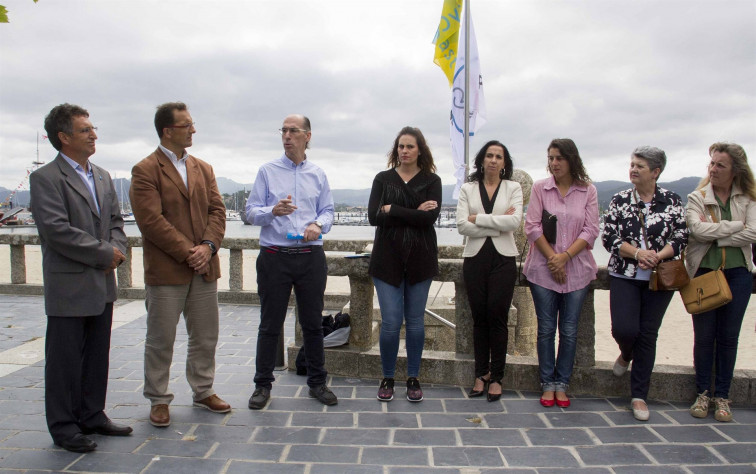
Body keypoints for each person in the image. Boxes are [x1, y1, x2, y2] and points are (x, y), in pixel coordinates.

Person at [30, 103, 131, 452]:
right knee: (64, 361)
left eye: (93, 128)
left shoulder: (102, 176)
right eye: (86, 129)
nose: (94, 134)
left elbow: (116, 223)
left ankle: (92, 414)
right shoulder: (45, 178)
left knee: (97, 355)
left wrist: (116, 250)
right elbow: (57, 231)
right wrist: (106, 254)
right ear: (64, 137)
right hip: (68, 284)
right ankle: (63, 427)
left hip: (102, 283)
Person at [130, 102, 230, 427]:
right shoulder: (145, 170)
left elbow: (218, 211)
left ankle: (203, 389)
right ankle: (158, 398)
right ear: (167, 131)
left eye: (193, 123)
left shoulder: (204, 168)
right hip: (167, 270)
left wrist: (209, 246)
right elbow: (150, 221)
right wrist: (190, 251)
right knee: (161, 338)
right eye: (187, 125)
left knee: (205, 335)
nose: (193, 129)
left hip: (204, 268)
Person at [245, 114, 337, 409]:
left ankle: (318, 382)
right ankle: (262, 385)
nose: (286, 136)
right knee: (269, 324)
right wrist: (273, 211)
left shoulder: (318, 174)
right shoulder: (267, 171)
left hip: (310, 256)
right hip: (275, 256)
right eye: (283, 130)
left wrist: (318, 226)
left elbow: (329, 212)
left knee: (312, 323)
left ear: (307, 136)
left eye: (293, 131)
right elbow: (249, 213)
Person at [601, 146, 687, 421]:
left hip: (660, 279)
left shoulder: (672, 200)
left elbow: (681, 236)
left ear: (656, 171)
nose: (633, 169)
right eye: (632, 164)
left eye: (640, 165)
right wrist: (637, 253)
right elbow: (609, 238)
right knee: (624, 329)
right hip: (624, 275)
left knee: (649, 335)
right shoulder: (620, 200)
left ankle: (639, 396)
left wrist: (657, 256)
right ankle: (626, 354)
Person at [523, 139, 599, 408]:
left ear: (571, 160)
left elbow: (591, 231)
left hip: (577, 270)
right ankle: (547, 382)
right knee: (545, 329)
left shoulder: (587, 191)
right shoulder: (540, 188)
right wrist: (553, 259)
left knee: (568, 330)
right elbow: (532, 227)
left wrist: (565, 257)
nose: (554, 163)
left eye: (559, 158)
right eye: (551, 158)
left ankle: (562, 383)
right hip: (542, 269)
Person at [368, 126, 441, 402]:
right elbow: (374, 217)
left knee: (415, 322)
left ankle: (413, 377)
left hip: (421, 258)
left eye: (410, 146)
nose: (405, 151)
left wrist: (393, 209)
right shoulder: (382, 179)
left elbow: (429, 219)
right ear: (395, 149)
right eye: (401, 146)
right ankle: (387, 376)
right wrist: (413, 211)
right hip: (387, 258)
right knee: (389, 323)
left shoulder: (432, 181)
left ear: (420, 149)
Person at [685, 142, 755, 422]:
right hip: (705, 272)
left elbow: (754, 233)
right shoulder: (697, 196)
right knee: (704, 338)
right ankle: (702, 393)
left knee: (728, 338)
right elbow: (696, 229)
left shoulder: (748, 199)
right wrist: (737, 227)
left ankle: (722, 396)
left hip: (738, 274)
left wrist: (718, 235)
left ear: (735, 170)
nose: (713, 169)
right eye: (711, 163)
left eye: (720, 165)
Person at [457, 140, 522, 402]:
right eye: (489, 155)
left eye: (499, 157)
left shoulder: (513, 187)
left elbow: (515, 222)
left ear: (505, 163)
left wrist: (479, 219)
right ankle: (480, 373)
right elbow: (462, 226)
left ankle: (497, 376)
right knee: (479, 318)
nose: (494, 160)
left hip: (503, 259)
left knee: (498, 316)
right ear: (482, 160)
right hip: (475, 258)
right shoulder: (467, 188)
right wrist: (498, 224)